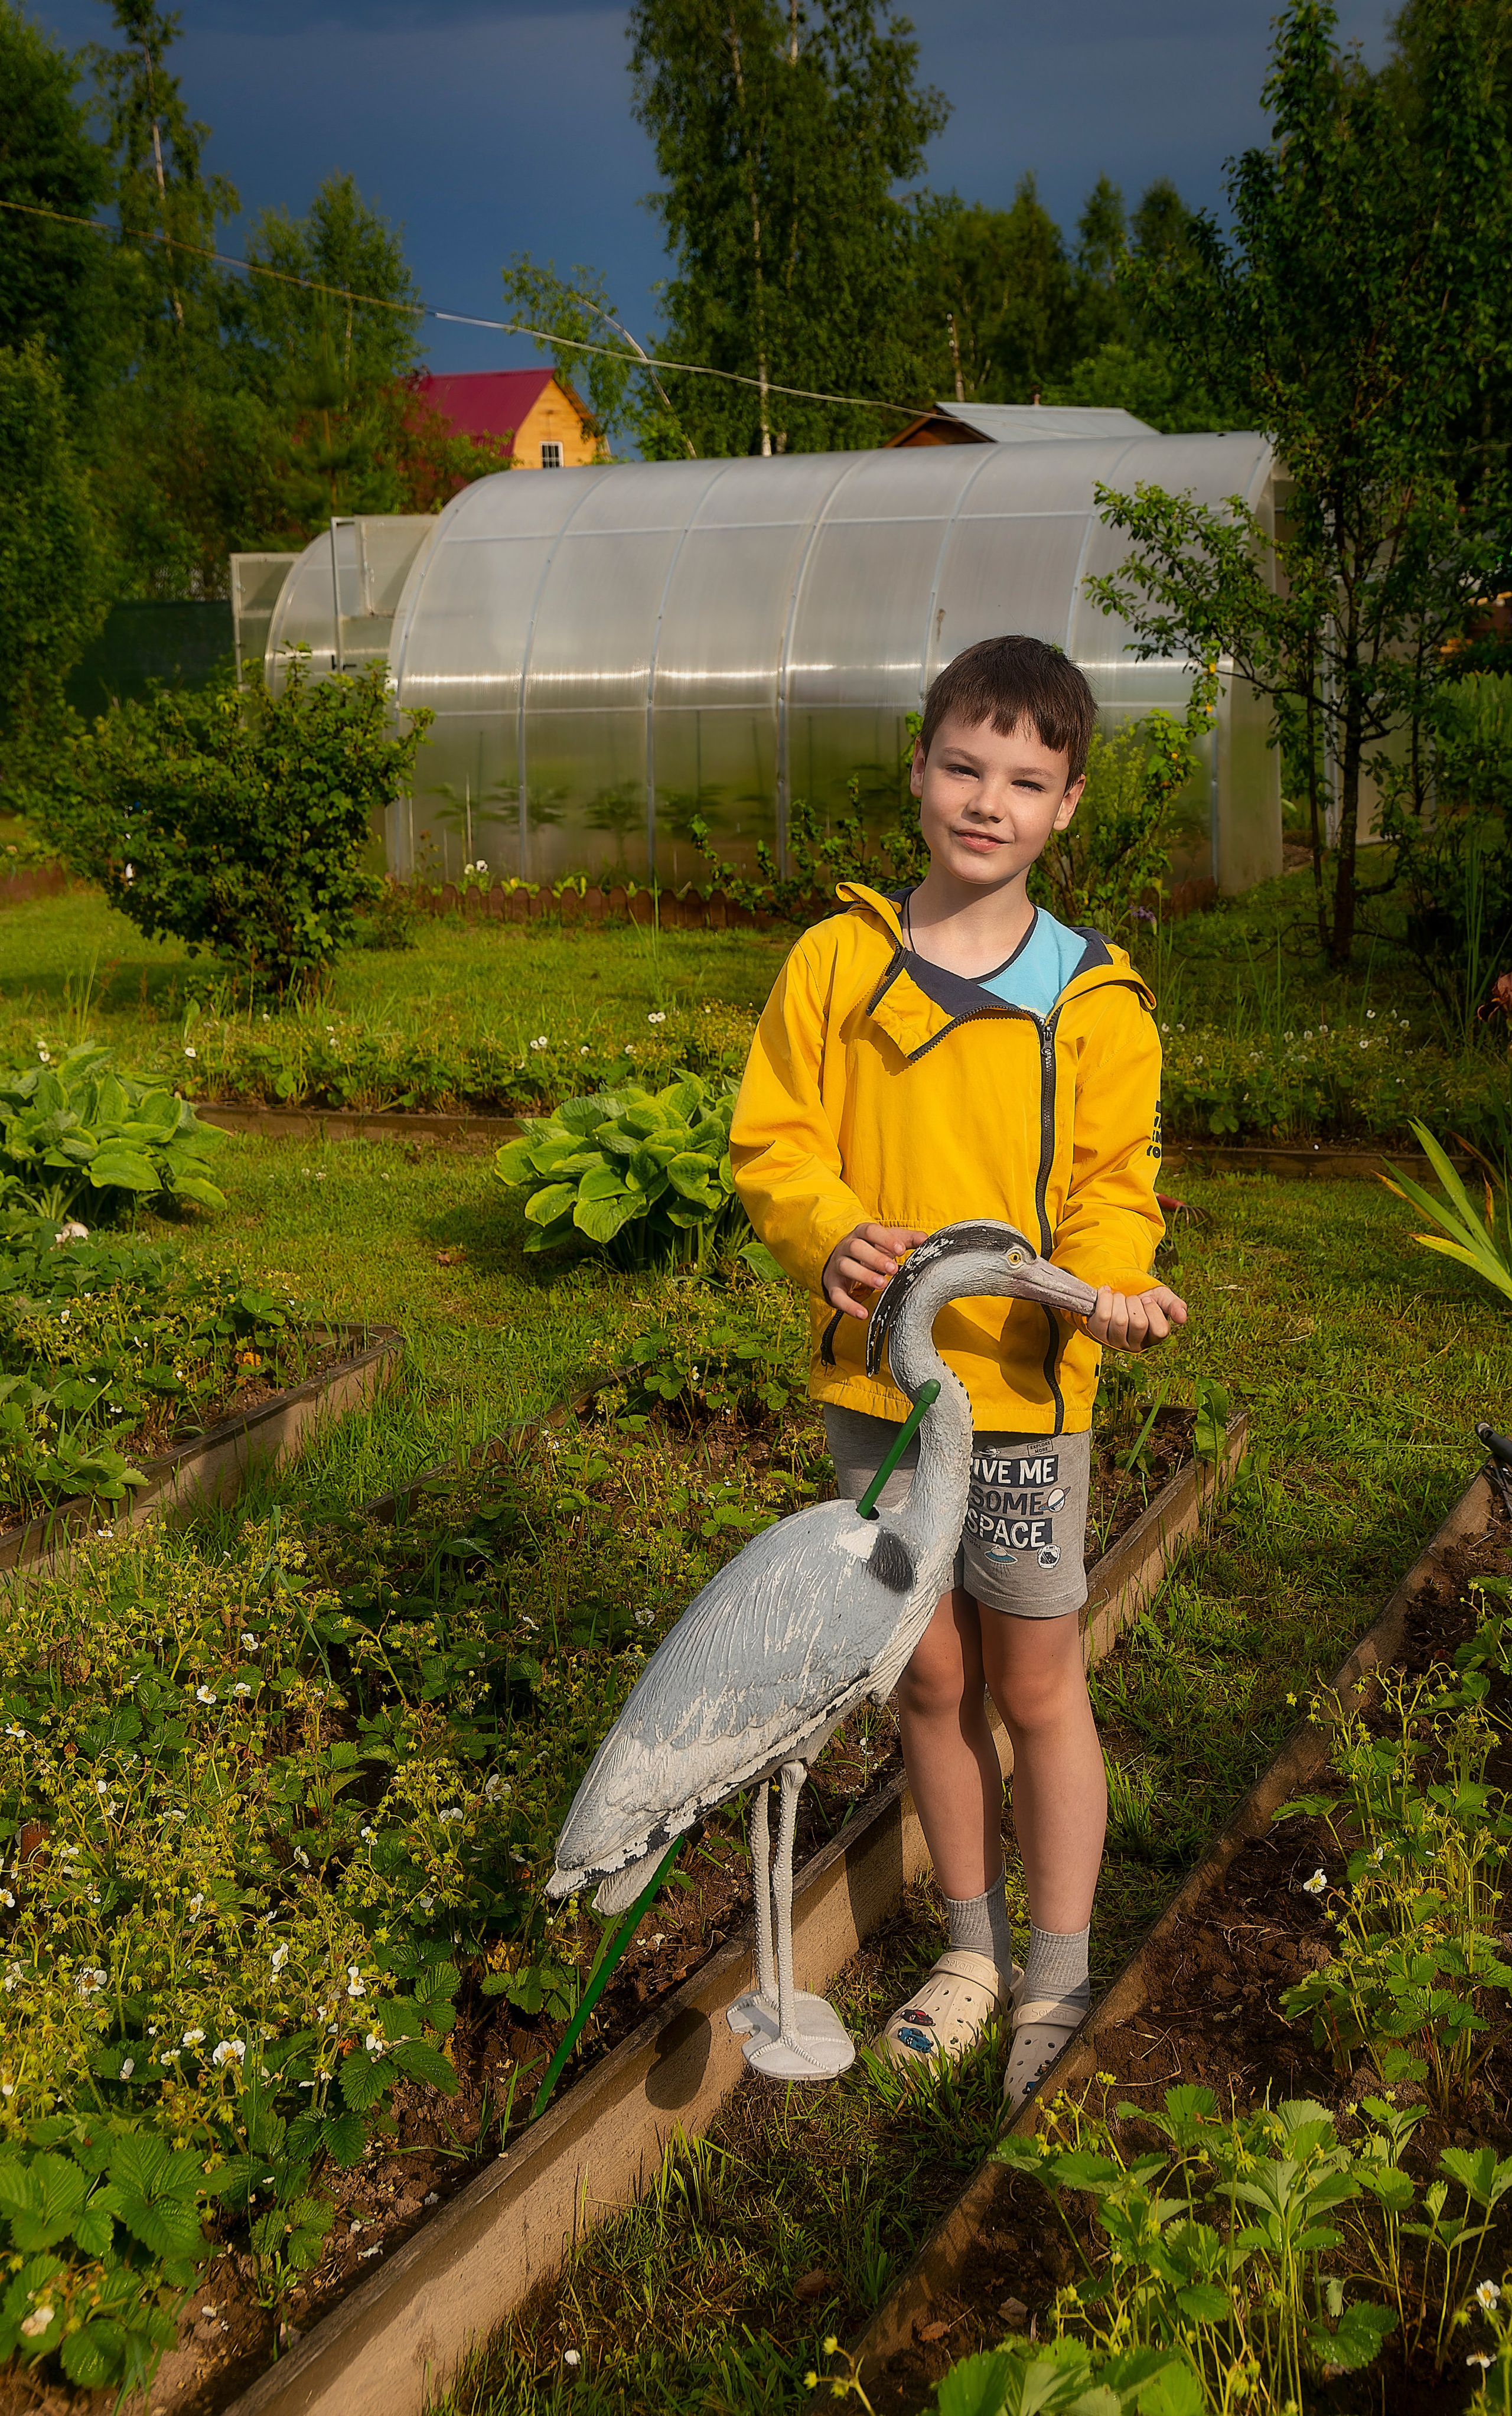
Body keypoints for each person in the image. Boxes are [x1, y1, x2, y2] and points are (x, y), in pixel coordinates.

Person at [729, 634, 1187, 2111]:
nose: (987, 801)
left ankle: (1057, 1971)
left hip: (1024, 1406)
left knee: (1035, 1680)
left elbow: (1113, 1186)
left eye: (1025, 780)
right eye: (962, 767)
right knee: (927, 1676)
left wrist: (1105, 1286)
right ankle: (971, 1952)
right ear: (917, 770)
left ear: (1066, 804)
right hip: (881, 1398)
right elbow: (775, 1138)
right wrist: (824, 1230)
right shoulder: (837, 960)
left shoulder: (1094, 997)